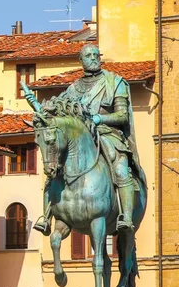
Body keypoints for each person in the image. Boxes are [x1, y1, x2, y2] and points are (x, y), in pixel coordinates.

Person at [28, 44, 146, 233]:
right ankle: (47, 216)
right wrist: (42, 109)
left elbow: (122, 115)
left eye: (95, 55)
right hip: (80, 138)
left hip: (108, 134)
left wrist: (99, 118)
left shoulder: (115, 82)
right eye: (88, 56)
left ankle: (126, 216)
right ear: (80, 60)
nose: (93, 58)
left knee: (121, 169)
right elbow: (58, 111)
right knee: (54, 171)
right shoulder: (72, 90)